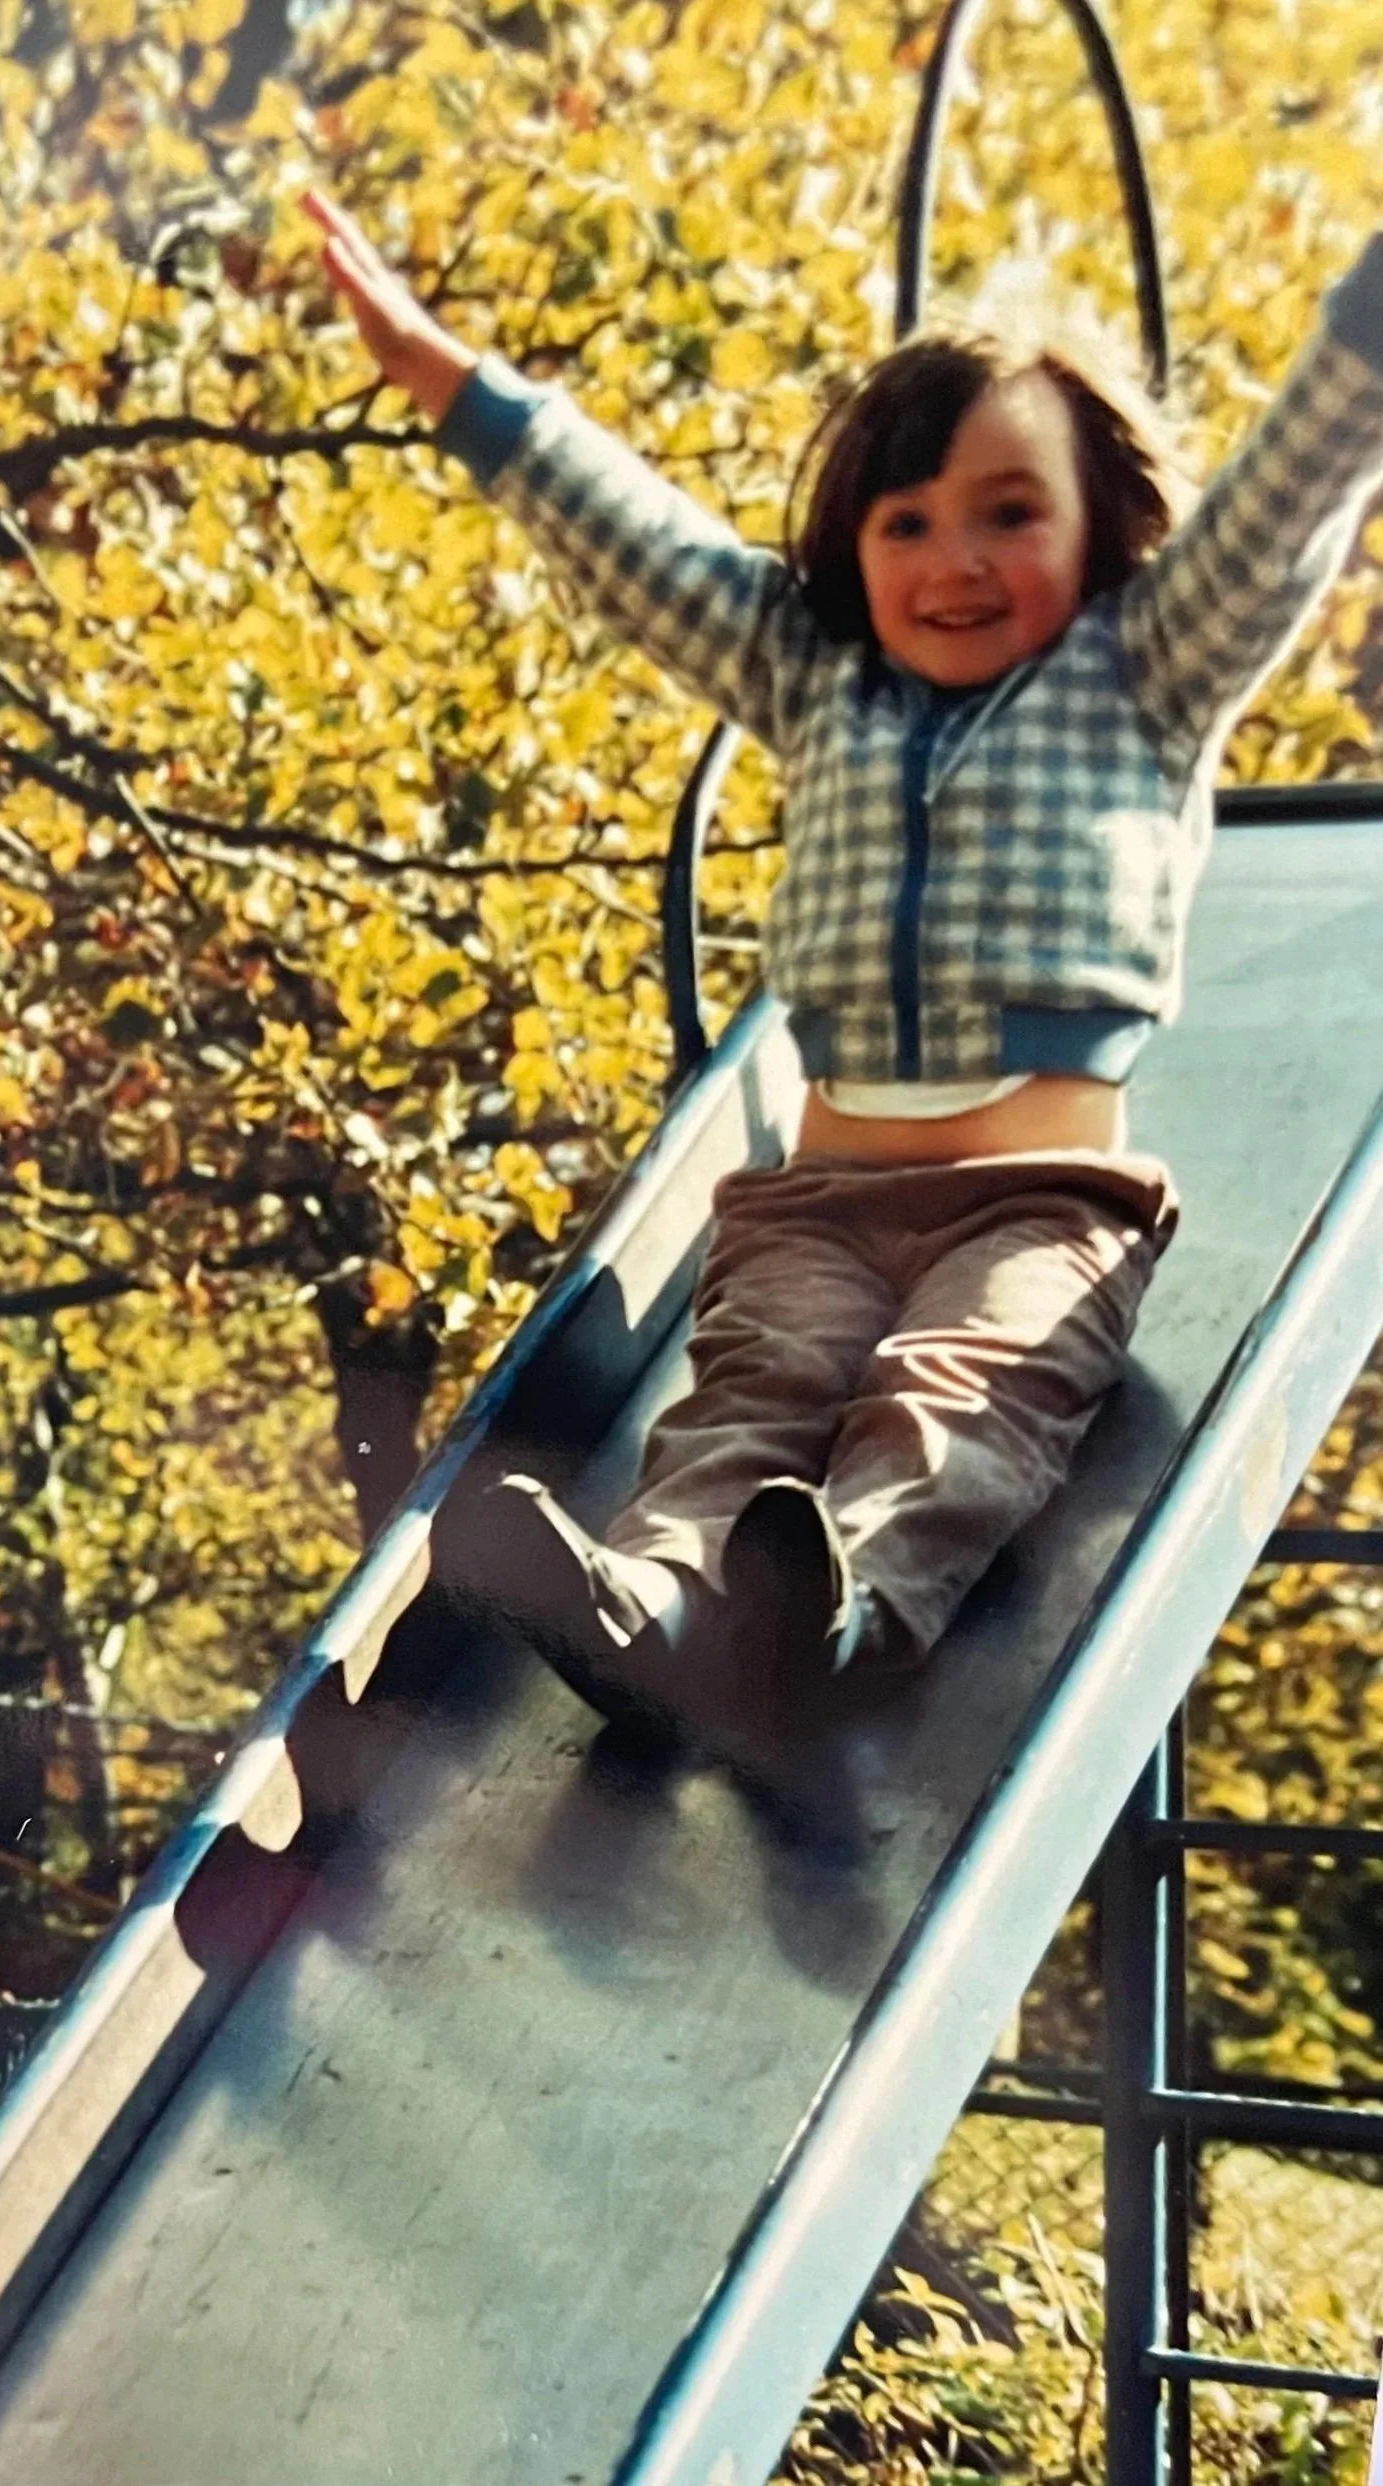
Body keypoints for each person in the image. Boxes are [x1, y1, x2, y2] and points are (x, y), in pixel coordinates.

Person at [301, 186, 1383, 1769]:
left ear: (1098, 528)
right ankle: (657, 1609)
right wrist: (446, 379)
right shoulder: (810, 675)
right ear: (850, 547)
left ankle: (836, 1608)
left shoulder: (1147, 673)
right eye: (907, 521)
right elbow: (629, 538)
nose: (956, 558)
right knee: (747, 1403)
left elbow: (1296, 486)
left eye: (1011, 511)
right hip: (815, 1201)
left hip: (1039, 1206)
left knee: (958, 1398)